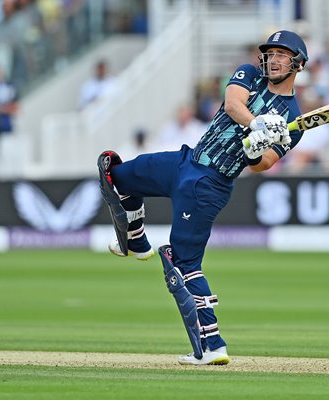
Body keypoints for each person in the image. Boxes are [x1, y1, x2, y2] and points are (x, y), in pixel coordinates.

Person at [97, 31, 308, 366]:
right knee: (115, 174)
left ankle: (213, 346)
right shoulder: (250, 75)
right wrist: (257, 125)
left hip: (210, 184)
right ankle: (136, 240)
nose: (274, 59)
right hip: (187, 161)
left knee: (183, 264)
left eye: (282, 55)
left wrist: (254, 149)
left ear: (297, 64)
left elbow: (264, 164)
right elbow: (234, 104)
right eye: (271, 53)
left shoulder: (292, 118)